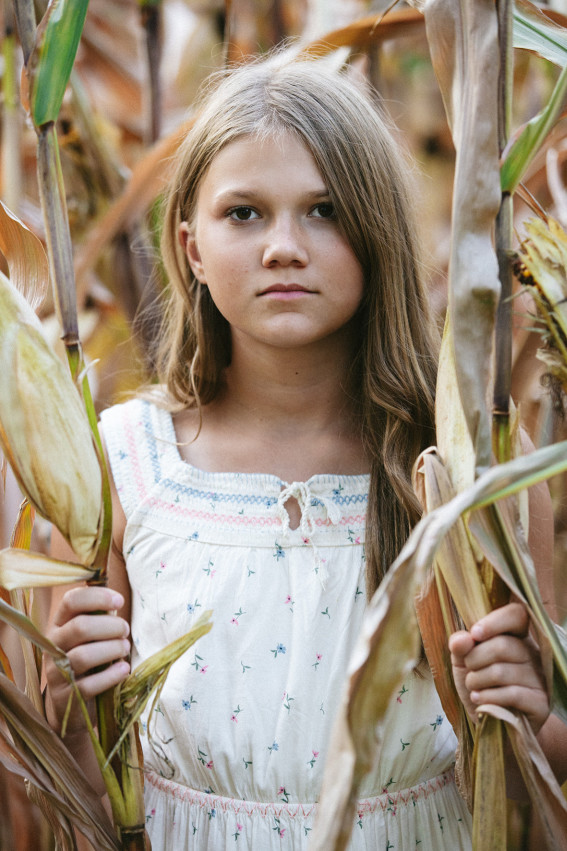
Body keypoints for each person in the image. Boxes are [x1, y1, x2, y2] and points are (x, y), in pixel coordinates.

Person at [44, 56, 567, 849]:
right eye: (244, 214)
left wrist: (530, 710)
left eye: (323, 210)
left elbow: (540, 766)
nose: (283, 246)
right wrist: (69, 702)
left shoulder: (471, 473)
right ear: (189, 247)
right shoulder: (119, 466)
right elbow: (88, 791)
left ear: (377, 229)